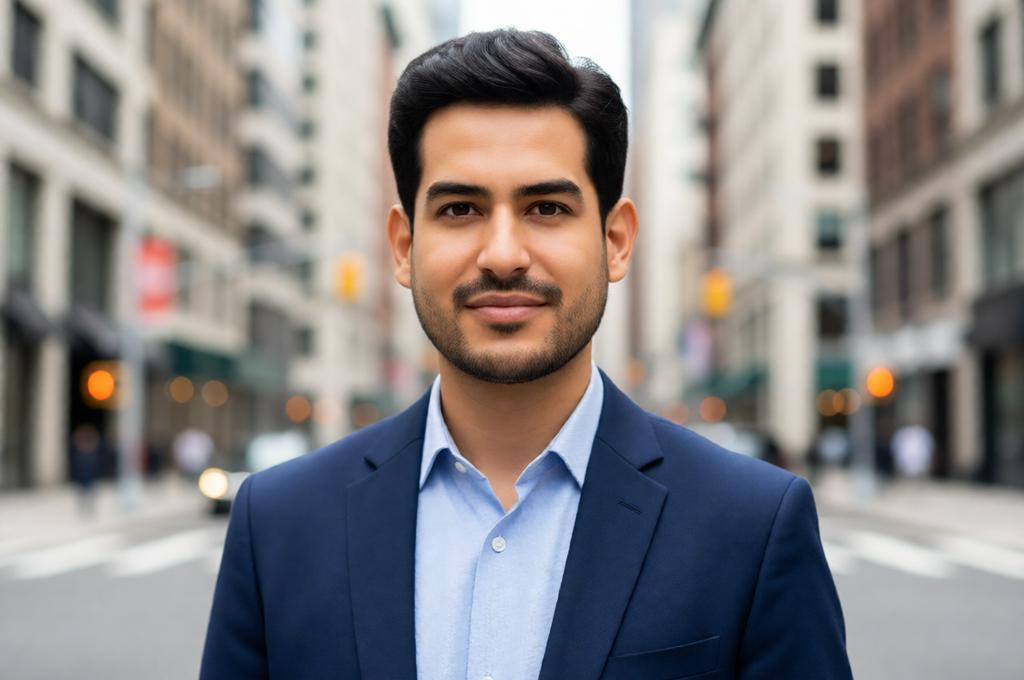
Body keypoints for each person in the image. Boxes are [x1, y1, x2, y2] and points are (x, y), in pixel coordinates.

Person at [201, 29, 852, 680]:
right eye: (460, 209)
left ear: (616, 241)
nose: (503, 255)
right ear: (403, 247)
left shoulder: (754, 525)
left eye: (546, 207)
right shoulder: (277, 523)